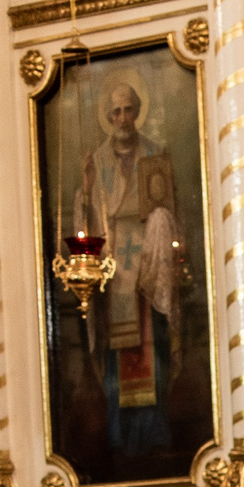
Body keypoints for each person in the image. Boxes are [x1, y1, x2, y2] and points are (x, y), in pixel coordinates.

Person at [73, 77, 186, 455]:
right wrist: (87, 188)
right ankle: (120, 435)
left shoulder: (155, 154)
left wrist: (164, 234)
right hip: (113, 263)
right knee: (116, 354)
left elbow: (172, 208)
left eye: (128, 109)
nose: (123, 117)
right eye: (116, 111)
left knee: (152, 345)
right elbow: (85, 218)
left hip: (148, 266)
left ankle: (153, 432)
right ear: (109, 116)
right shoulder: (98, 161)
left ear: (138, 112)